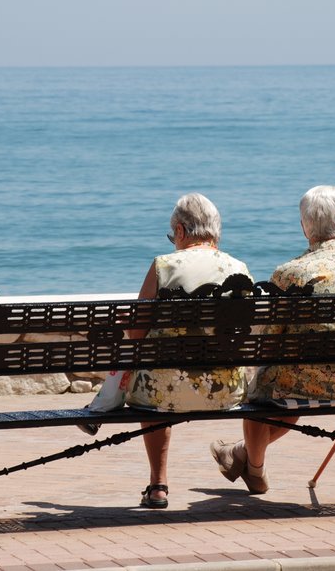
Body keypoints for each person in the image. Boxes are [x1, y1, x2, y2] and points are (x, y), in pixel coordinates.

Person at [210, 185, 335, 494]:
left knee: (262, 387)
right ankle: (239, 454)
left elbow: (270, 340)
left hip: (300, 381)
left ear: (305, 227)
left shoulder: (289, 273)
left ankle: (254, 468)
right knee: (284, 382)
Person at [112, 193, 252, 509]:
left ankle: (158, 485)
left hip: (165, 393)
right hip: (226, 392)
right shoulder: (239, 268)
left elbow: (136, 334)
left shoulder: (164, 265)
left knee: (154, 375)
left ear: (180, 231)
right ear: (216, 231)